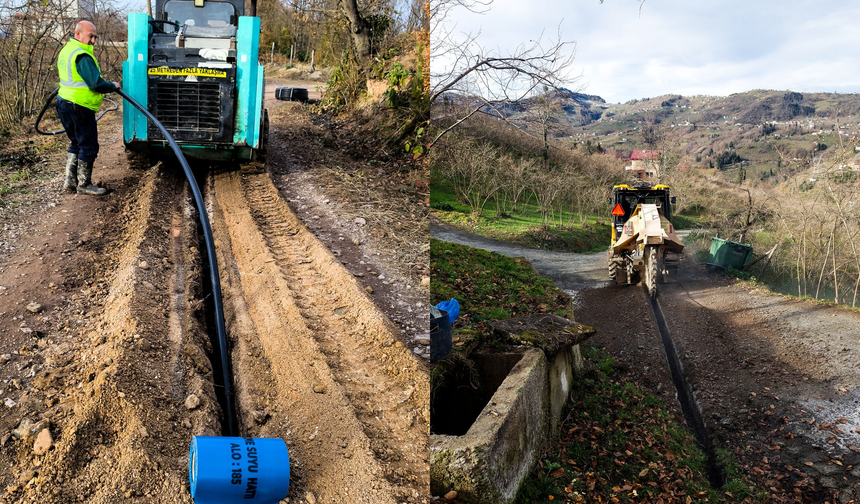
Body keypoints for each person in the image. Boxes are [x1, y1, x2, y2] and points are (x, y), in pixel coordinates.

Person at [56, 20, 120, 196]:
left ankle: (70, 181)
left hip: (63, 102)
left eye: (95, 37)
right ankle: (84, 184)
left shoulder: (67, 50)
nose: (93, 40)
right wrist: (113, 85)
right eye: (90, 36)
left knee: (76, 141)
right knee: (89, 145)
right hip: (79, 106)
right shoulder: (82, 55)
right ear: (78, 34)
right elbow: (96, 84)